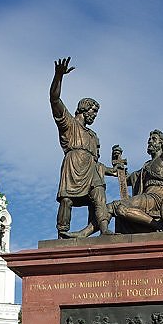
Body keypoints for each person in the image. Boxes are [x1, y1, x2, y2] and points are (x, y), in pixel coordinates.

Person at [50, 57, 113, 238]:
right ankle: (62, 232)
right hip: (74, 164)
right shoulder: (69, 124)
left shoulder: (93, 136)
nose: (95, 115)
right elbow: (54, 99)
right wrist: (58, 76)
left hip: (91, 169)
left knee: (98, 193)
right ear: (84, 109)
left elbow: (98, 164)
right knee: (67, 199)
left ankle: (104, 229)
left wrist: (113, 170)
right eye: (94, 111)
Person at [108, 129, 163, 233]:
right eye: (149, 139)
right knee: (114, 207)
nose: (150, 141)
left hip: (159, 197)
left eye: (154, 139)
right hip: (147, 197)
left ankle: (157, 225)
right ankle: (94, 233)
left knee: (119, 207)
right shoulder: (145, 167)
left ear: (161, 143)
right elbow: (125, 179)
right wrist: (117, 163)